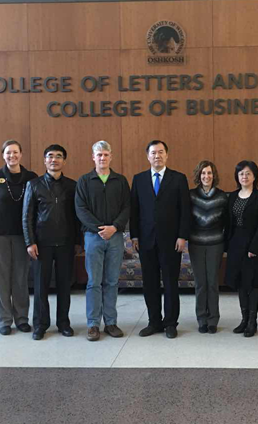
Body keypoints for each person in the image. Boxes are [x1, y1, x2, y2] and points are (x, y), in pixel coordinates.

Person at [130, 140, 191, 339]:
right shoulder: (138, 179)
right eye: (153, 153)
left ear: (167, 155)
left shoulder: (178, 178)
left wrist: (182, 236)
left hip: (172, 241)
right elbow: (134, 210)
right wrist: (134, 235)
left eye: (161, 152)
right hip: (146, 240)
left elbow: (185, 210)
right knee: (150, 283)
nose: (157, 156)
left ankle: (171, 323)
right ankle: (154, 322)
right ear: (148, 156)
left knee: (171, 283)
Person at [22, 144, 80, 341]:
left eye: (58, 156)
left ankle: (63, 323)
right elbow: (27, 216)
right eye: (50, 156)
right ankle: (40, 324)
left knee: (65, 286)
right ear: (45, 160)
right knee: (40, 287)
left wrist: (77, 241)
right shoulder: (33, 185)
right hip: (41, 244)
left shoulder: (72, 186)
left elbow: (76, 216)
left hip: (66, 243)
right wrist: (30, 242)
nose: (54, 159)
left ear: (64, 161)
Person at [0, 140, 38, 336]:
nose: (12, 156)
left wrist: (33, 238)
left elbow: (36, 209)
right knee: (2, 279)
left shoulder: (31, 177)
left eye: (15, 152)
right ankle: (4, 320)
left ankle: (22, 318)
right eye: (8, 153)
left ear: (21, 154)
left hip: (23, 237)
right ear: (3, 155)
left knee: (20, 279)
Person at [75, 141, 130, 342]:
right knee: (94, 282)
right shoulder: (84, 181)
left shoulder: (120, 181)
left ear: (111, 156)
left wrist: (114, 227)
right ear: (93, 157)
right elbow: (81, 209)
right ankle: (93, 324)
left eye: (106, 154)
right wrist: (100, 229)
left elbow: (127, 207)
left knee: (112, 282)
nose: (102, 158)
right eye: (99, 155)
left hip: (115, 237)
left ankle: (111, 323)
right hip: (93, 237)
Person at [225, 161, 258, 337]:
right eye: (241, 173)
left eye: (248, 173)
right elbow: (228, 223)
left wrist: (254, 246)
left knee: (253, 283)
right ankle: (244, 319)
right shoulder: (232, 196)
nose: (244, 176)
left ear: (255, 176)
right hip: (236, 244)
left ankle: (252, 321)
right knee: (240, 283)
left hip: (253, 245)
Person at [188, 160, 228, 334]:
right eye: (203, 173)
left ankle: (213, 319)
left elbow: (226, 221)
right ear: (199, 175)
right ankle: (201, 319)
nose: (206, 176)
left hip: (215, 244)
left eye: (209, 173)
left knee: (212, 282)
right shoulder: (190, 195)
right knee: (200, 283)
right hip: (196, 244)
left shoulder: (222, 196)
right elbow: (186, 219)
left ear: (214, 175)